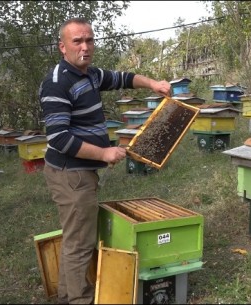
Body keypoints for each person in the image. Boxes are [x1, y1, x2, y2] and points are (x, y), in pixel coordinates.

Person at [39, 17, 170, 304]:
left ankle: (66, 295)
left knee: (76, 237)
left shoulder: (90, 74)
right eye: (77, 41)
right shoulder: (57, 84)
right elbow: (59, 138)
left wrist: (152, 83)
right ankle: (79, 299)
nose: (85, 47)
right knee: (80, 243)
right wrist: (104, 153)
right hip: (70, 174)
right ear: (63, 47)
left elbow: (122, 78)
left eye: (89, 40)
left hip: (80, 172)